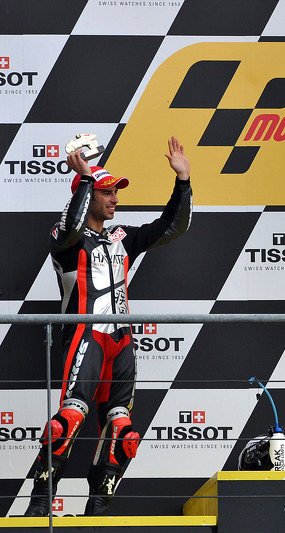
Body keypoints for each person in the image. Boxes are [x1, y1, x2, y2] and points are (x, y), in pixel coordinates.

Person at [24, 137, 193, 517]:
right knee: (69, 418)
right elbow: (69, 226)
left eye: (116, 191)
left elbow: (172, 227)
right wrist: (84, 179)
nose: (115, 198)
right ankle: (38, 508)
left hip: (121, 342)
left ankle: (98, 510)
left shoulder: (123, 237)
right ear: (89, 195)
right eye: (107, 191)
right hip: (85, 336)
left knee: (123, 431)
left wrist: (182, 181)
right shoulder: (65, 239)